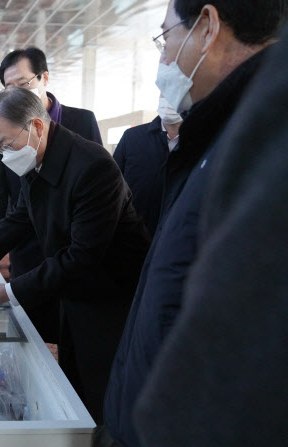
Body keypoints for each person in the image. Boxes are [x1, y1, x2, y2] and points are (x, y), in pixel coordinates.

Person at [100, 1, 287, 446]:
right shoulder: (217, 138)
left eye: (166, 37)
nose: (163, 57)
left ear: (207, 25)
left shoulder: (258, 146)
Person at [0, 88, 150, 423]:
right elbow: (20, 216)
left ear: (37, 127)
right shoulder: (37, 158)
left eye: (5, 143)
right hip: (74, 294)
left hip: (112, 299)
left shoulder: (93, 168)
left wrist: (9, 292)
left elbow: (81, 256)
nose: (2, 154)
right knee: (74, 386)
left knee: (105, 394)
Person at [0, 47, 103, 344]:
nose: (16, 93)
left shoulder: (85, 145)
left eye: (23, 84)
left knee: (76, 343)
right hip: (29, 255)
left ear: (44, 77)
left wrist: (4, 289)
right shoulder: (16, 144)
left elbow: (87, 228)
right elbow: (1, 203)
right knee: (32, 339)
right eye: (9, 88)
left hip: (81, 258)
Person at [113, 97, 182, 237]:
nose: (167, 99)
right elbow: (109, 185)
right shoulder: (132, 138)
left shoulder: (202, 141)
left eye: (172, 93)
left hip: (178, 238)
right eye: (163, 95)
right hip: (132, 237)